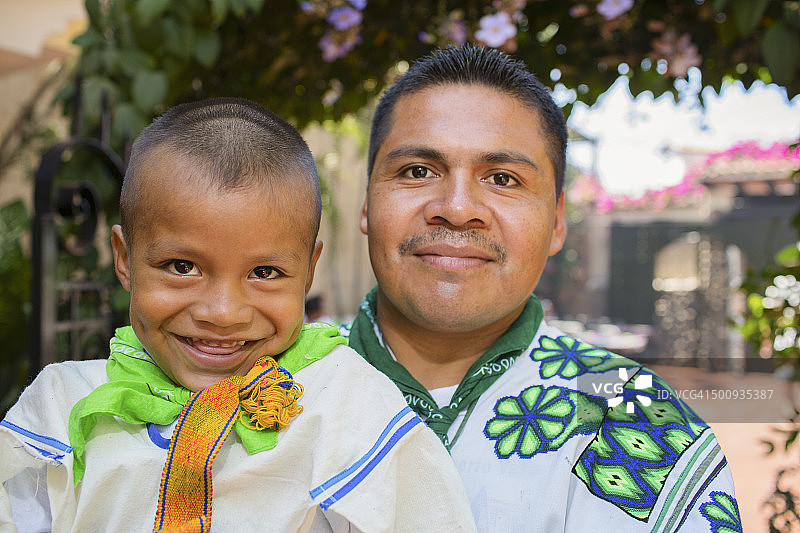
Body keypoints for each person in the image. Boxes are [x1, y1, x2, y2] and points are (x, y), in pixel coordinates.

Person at [0, 98, 477, 532]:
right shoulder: (62, 406)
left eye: (264, 273)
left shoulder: (345, 402)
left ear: (308, 272)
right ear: (124, 259)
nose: (223, 313)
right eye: (181, 267)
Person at [348, 45, 741, 532]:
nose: (456, 208)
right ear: (366, 204)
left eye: (502, 178)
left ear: (557, 222)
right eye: (417, 171)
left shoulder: (643, 421)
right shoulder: (273, 383)